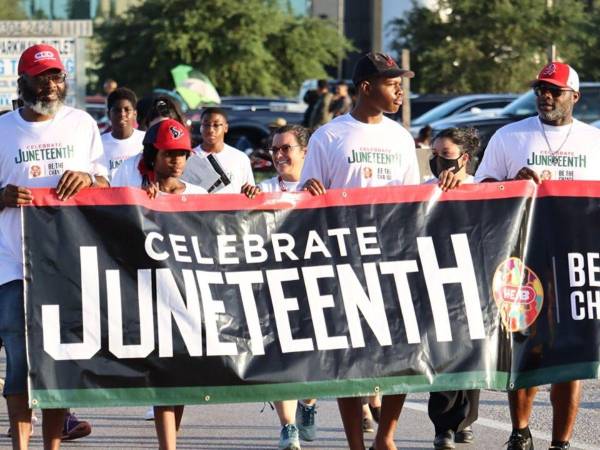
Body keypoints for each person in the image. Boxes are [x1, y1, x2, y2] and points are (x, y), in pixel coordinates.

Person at [475, 61, 600, 450]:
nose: (544, 96)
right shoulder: (509, 137)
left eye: (554, 90)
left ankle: (561, 442)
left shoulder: (594, 141)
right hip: (523, 257)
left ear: (574, 97)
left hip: (575, 259)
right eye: (540, 89)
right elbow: (481, 191)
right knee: (525, 346)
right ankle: (520, 431)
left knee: (572, 353)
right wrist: (512, 183)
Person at [300, 52, 419, 450]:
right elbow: (306, 202)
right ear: (366, 88)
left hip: (392, 262)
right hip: (344, 264)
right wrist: (308, 193)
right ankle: (355, 443)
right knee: (347, 361)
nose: (399, 88)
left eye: (400, 81)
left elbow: (413, 203)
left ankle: (386, 437)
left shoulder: (401, 138)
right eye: (391, 82)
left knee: (401, 354)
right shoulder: (328, 137)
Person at [0, 43, 108, 450]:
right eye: (41, 77)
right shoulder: (3, 129)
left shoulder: (82, 125)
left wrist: (87, 179)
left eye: (56, 76)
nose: (50, 85)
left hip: (67, 262)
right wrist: (2, 196)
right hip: (12, 262)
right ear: (22, 82)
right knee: (20, 359)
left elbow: (105, 185)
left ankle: (52, 446)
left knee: (59, 362)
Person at [111, 118, 204, 450]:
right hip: (150, 295)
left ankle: (172, 441)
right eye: (169, 154)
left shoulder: (199, 195)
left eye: (182, 154)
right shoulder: (133, 191)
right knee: (164, 376)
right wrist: (141, 207)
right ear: (153, 155)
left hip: (188, 298)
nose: (176, 160)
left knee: (180, 381)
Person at [241, 125, 318, 450]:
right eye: (275, 149)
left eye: (286, 148)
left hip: (314, 283)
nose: (279, 155)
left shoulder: (316, 186)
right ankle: (288, 427)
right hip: (272, 285)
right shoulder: (264, 188)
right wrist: (244, 204)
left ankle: (309, 404)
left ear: (304, 152)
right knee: (276, 356)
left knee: (312, 359)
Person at [426, 127, 481, 450]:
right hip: (437, 276)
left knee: (472, 351)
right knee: (445, 350)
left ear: (463, 159)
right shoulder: (425, 188)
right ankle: (444, 425)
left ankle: (466, 420)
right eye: (434, 155)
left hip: (474, 275)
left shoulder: (482, 187)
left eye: (445, 156)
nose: (438, 162)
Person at [195, 107, 254, 193]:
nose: (211, 130)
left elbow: (249, 192)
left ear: (226, 128)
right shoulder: (189, 157)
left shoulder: (240, 158)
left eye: (216, 125)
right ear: (201, 127)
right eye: (206, 125)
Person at [101, 87, 145, 179]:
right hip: (110, 193)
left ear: (135, 114)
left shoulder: (145, 140)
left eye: (127, 109)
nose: (122, 114)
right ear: (109, 114)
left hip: (138, 193)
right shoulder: (99, 143)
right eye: (117, 110)